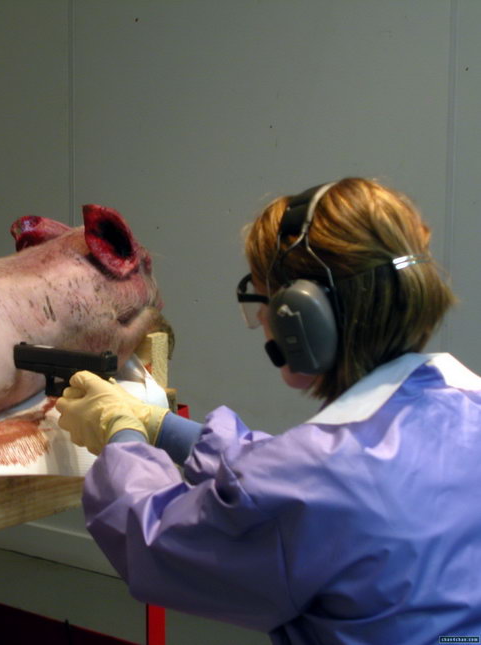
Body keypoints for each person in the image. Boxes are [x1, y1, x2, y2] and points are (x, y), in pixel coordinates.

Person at [55, 177, 481, 644]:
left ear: (301, 317)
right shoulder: (464, 402)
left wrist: (120, 434)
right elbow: (288, 484)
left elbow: (154, 542)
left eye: (265, 302)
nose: (262, 322)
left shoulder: (317, 479)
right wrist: (160, 427)